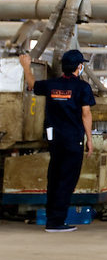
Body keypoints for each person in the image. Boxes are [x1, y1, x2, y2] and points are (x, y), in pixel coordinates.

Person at [19, 50, 95, 233]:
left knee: (54, 179)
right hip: (72, 140)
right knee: (67, 180)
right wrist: (90, 140)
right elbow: (86, 114)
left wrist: (26, 66)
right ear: (79, 67)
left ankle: (52, 218)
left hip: (54, 140)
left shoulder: (52, 85)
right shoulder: (82, 88)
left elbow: (32, 85)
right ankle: (56, 222)